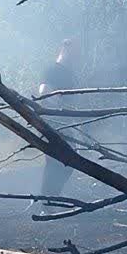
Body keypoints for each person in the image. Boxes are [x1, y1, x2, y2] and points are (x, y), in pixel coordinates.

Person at [38, 39, 80, 198]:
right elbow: (44, 93)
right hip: (54, 124)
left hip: (65, 124)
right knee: (57, 162)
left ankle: (51, 198)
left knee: (68, 162)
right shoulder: (53, 70)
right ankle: (48, 201)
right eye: (75, 51)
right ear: (66, 49)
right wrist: (59, 111)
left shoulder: (69, 73)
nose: (77, 56)